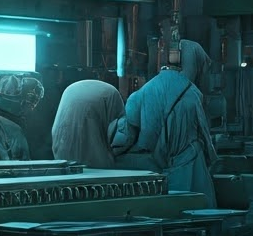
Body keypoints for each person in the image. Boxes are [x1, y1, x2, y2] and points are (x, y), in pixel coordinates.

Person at [109, 64, 217, 207]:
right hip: (194, 157)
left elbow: (134, 136)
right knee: (200, 209)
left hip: (166, 164)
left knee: (173, 210)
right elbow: (203, 128)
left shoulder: (140, 96)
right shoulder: (192, 91)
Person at [50, 79, 125, 169]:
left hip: (62, 159)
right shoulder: (111, 93)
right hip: (98, 166)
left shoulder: (70, 91)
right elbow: (119, 134)